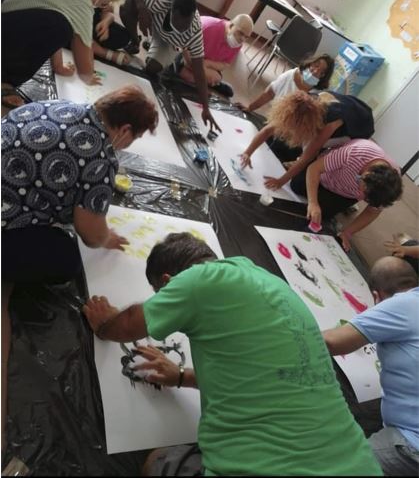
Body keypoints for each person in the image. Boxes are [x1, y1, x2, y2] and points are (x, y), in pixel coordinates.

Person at [83, 232, 382, 476]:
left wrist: (105, 322)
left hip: (269, 467)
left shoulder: (197, 280)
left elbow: (125, 326)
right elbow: (253, 371)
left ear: (167, 281)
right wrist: (181, 376)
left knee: (156, 462)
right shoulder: (269, 283)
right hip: (357, 464)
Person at [1, 85, 158, 440]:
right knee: (67, 257)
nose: (128, 146)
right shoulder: (100, 159)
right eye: (133, 139)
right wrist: (106, 237)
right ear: (124, 130)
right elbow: (89, 232)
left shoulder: (56, 105)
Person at [323, 256, 419, 477]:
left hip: (412, 442)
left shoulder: (401, 304)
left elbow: (331, 342)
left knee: (341, 465)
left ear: (377, 296)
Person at [1, 0, 127, 108]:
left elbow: (51, 11)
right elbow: (84, 69)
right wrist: (90, 79)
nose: (99, 7)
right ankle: (5, 80)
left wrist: (58, 65)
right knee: (64, 28)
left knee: (59, 23)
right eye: (103, 4)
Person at [119, 0, 220, 132]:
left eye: (186, 24)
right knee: (127, 3)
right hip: (152, 22)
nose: (182, 27)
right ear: (171, 10)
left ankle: (171, 55)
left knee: (152, 68)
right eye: (178, 22)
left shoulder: (194, 31)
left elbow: (199, 71)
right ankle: (135, 41)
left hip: (170, 43)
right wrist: (142, 8)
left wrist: (206, 108)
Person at [240, 90, 374, 192]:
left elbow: (306, 158)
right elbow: (267, 130)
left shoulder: (328, 125)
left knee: (315, 158)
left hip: (359, 125)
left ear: (306, 126)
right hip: (344, 106)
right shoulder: (297, 105)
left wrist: (280, 181)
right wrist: (247, 153)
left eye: (294, 127)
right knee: (278, 142)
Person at [294, 138, 402, 251]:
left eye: (365, 197)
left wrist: (347, 233)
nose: (360, 194)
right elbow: (314, 169)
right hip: (325, 173)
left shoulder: (390, 188)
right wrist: (313, 202)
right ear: (366, 175)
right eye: (363, 190)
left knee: (323, 213)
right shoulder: (355, 153)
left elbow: (372, 212)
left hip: (345, 194)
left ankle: (338, 203)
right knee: (297, 186)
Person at [178, 14, 254, 98]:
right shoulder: (210, 28)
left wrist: (206, 63)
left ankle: (206, 81)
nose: (242, 39)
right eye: (240, 33)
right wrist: (197, 66)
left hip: (204, 61)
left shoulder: (238, 43)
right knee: (187, 74)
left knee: (216, 77)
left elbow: (225, 64)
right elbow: (185, 48)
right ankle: (208, 83)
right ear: (231, 26)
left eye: (246, 37)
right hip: (183, 53)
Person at [236, 53, 334, 113]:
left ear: (323, 76)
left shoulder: (317, 94)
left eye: (322, 72)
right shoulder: (290, 75)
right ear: (311, 63)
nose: (316, 71)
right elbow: (269, 93)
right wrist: (250, 108)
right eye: (316, 65)